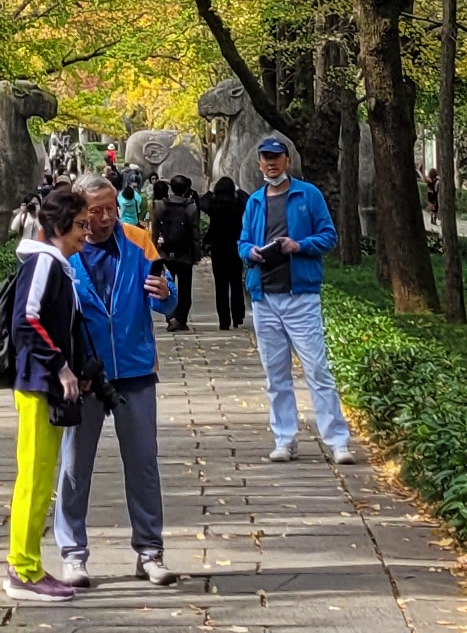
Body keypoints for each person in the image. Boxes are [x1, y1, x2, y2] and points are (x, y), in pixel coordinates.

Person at [53, 177, 176, 585]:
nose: (105, 218)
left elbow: (168, 296)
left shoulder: (139, 240)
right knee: (75, 467)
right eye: (95, 210)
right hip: (84, 378)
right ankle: (73, 553)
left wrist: (165, 292)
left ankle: (150, 551)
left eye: (110, 208)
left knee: (143, 464)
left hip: (135, 371)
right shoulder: (63, 247)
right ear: (79, 209)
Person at [5, 183, 98, 602]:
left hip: (46, 383)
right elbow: (27, 320)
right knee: (36, 478)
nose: (86, 232)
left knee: (41, 478)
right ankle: (22, 570)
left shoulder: (55, 264)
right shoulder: (43, 264)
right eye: (80, 224)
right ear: (60, 225)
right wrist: (61, 366)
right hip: (39, 384)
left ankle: (27, 565)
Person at [241, 134, 354, 463]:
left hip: (301, 296)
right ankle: (284, 439)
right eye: (265, 157)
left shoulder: (309, 195)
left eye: (277, 156)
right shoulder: (255, 201)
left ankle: (337, 442)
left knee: (318, 369)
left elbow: (329, 235)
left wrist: (299, 246)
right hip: (265, 297)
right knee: (275, 375)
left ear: (288, 161)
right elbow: (243, 242)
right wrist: (251, 252)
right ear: (260, 163)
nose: (271, 162)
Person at [151, 177, 203, 331]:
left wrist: (153, 250)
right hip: (184, 253)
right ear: (186, 189)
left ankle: (170, 316)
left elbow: (155, 231)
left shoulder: (160, 205)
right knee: (185, 288)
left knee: (168, 283)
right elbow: (195, 234)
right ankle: (180, 318)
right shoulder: (191, 208)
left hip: (165, 252)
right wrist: (197, 254)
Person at [204, 168, 248, 332]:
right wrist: (237, 189)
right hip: (235, 247)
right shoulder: (237, 205)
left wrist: (210, 191)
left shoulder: (213, 206)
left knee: (220, 286)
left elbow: (202, 201)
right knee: (236, 283)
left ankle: (224, 321)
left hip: (218, 249)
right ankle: (238, 317)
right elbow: (247, 199)